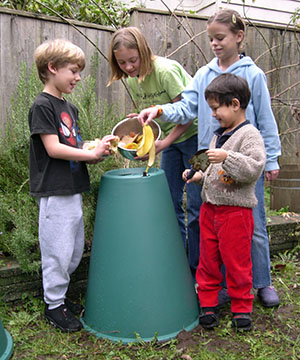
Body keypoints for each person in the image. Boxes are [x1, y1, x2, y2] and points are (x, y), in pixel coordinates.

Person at [138, 9, 281, 307]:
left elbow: (265, 120)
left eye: (220, 38)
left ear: (238, 37)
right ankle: (219, 282)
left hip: (243, 161)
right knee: (208, 221)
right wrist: (161, 110)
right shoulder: (203, 75)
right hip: (207, 157)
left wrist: (272, 159)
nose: (214, 43)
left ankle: (262, 282)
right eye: (211, 39)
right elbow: (188, 108)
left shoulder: (253, 75)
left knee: (251, 223)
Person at [29, 38, 117, 332]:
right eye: (73, 71)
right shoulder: (42, 105)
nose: (78, 77)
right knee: (57, 249)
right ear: (52, 68)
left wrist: (95, 148)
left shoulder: (69, 107)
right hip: (55, 190)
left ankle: (61, 298)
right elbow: (53, 148)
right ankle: (53, 306)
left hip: (72, 187)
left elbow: (74, 145)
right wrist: (87, 153)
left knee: (74, 248)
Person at [107, 27, 202, 278]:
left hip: (194, 138)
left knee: (195, 205)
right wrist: (140, 120)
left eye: (133, 60)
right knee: (169, 203)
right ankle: (177, 265)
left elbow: (189, 112)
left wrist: (165, 142)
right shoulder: (133, 77)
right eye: (122, 62)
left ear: (144, 52)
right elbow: (157, 111)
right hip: (171, 141)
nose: (128, 67)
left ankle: (198, 271)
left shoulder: (165, 71)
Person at [182, 73, 266, 331]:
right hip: (210, 211)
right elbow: (211, 172)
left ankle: (241, 308)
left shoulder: (249, 136)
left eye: (216, 108)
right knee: (208, 259)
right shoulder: (218, 136)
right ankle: (208, 304)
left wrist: (226, 156)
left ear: (235, 104)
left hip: (235, 214)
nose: (213, 114)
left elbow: (252, 168)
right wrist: (197, 176)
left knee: (237, 262)